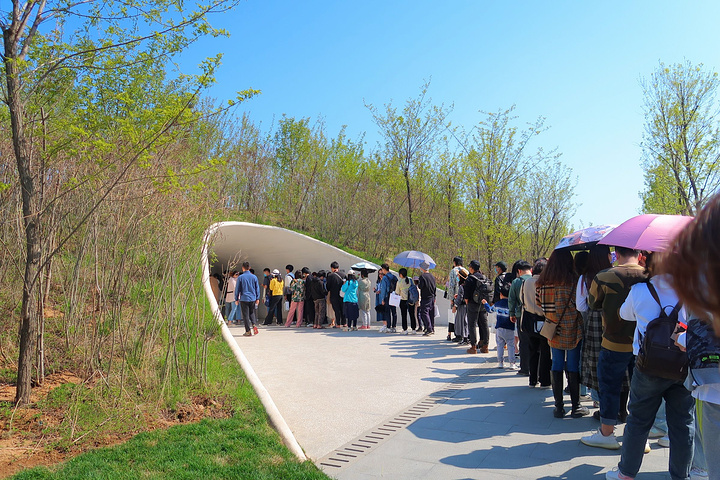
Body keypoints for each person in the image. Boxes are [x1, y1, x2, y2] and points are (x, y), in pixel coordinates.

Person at [602, 253, 694, 480]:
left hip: (648, 366)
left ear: (648, 263)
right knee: (683, 423)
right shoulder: (690, 290)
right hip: (682, 366)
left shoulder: (640, 290)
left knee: (638, 421)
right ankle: (681, 476)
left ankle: (626, 473)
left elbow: (625, 314)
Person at [659, 193, 720, 480]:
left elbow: (695, 331)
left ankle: (698, 467)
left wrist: (682, 338)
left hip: (712, 383)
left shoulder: (702, 278)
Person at [582, 246, 648, 448]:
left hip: (613, 342)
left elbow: (592, 303)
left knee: (609, 387)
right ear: (640, 256)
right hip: (644, 345)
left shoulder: (604, 276)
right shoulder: (650, 276)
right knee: (643, 392)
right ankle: (639, 438)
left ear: (616, 255)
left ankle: (607, 434)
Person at [536, 249, 589, 419]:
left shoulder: (543, 282)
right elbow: (580, 305)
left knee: (556, 364)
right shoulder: (573, 281)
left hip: (553, 328)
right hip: (572, 328)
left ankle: (558, 407)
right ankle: (576, 406)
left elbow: (539, 304)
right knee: (573, 366)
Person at [577, 245, 620, 413]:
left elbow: (581, 305)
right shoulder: (615, 274)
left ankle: (597, 399)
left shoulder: (585, 277)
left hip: (593, 320)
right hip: (616, 320)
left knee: (595, 359)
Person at [520, 258, 551, 388]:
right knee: (545, 351)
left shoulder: (526, 282)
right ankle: (544, 380)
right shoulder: (545, 283)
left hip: (528, 320)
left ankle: (532, 379)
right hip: (543, 320)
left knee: (532, 350)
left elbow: (521, 299)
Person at [509, 261, 533, 376]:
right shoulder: (536, 280)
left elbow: (512, 299)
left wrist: (512, 313)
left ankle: (524, 368)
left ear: (519, 271)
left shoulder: (516, 282)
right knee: (535, 342)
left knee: (523, 342)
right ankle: (535, 368)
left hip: (521, 316)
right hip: (536, 315)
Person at [483, 292, 517, 369]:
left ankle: (500, 362)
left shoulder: (498, 304)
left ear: (501, 294)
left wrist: (486, 303)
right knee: (511, 345)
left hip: (499, 328)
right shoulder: (512, 304)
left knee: (500, 345)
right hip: (509, 327)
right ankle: (512, 363)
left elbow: (490, 310)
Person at [464, 260, 492, 354]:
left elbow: (466, 293)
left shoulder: (470, 278)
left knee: (472, 325)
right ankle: (485, 346)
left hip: (473, 304)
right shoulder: (484, 277)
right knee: (484, 325)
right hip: (483, 304)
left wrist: (466, 300)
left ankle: (473, 346)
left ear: (471, 268)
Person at [235, 261, 260, 336]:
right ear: (249, 268)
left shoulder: (240, 277)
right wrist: (257, 298)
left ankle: (248, 331)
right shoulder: (254, 277)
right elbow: (257, 288)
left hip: (244, 298)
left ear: (243, 268)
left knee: (245, 315)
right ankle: (254, 324)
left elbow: (237, 289)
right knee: (252, 313)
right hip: (252, 298)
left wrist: (236, 298)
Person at [417, 261, 436, 336]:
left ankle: (429, 328)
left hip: (425, 297)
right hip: (432, 296)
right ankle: (432, 328)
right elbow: (434, 287)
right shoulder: (432, 276)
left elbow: (420, 286)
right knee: (431, 313)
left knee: (424, 312)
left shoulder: (422, 277)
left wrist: (418, 282)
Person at [447, 256, 463, 340]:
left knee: (453, 316)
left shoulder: (453, 271)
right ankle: (462, 334)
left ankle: (455, 334)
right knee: (462, 316)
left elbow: (451, 285)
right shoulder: (465, 270)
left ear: (454, 263)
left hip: (455, 296)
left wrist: (451, 298)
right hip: (463, 296)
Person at [379, 264, 398, 333]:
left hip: (388, 296)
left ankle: (388, 327)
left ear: (384, 269)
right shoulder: (394, 277)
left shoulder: (385, 278)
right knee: (394, 312)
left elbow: (383, 289)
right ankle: (394, 327)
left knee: (387, 312)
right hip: (394, 296)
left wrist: (382, 299)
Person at [453, 268, 469, 345]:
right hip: (468, 306)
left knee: (463, 322)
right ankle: (467, 337)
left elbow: (460, 298)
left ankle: (465, 338)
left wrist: (455, 305)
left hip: (462, 307)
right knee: (466, 322)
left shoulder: (462, 286)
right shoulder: (468, 285)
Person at [327, 261, 345, 328]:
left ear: (332, 268)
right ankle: (344, 323)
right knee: (343, 309)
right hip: (342, 295)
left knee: (337, 310)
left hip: (334, 296)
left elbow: (328, 287)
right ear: (338, 267)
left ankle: (338, 324)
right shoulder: (343, 275)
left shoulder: (330, 276)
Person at [395, 268, 413, 334]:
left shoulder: (399, 282)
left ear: (401, 274)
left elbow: (397, 292)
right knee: (412, 314)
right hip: (411, 299)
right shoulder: (410, 280)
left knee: (404, 315)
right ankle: (413, 329)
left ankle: (405, 329)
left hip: (403, 300)